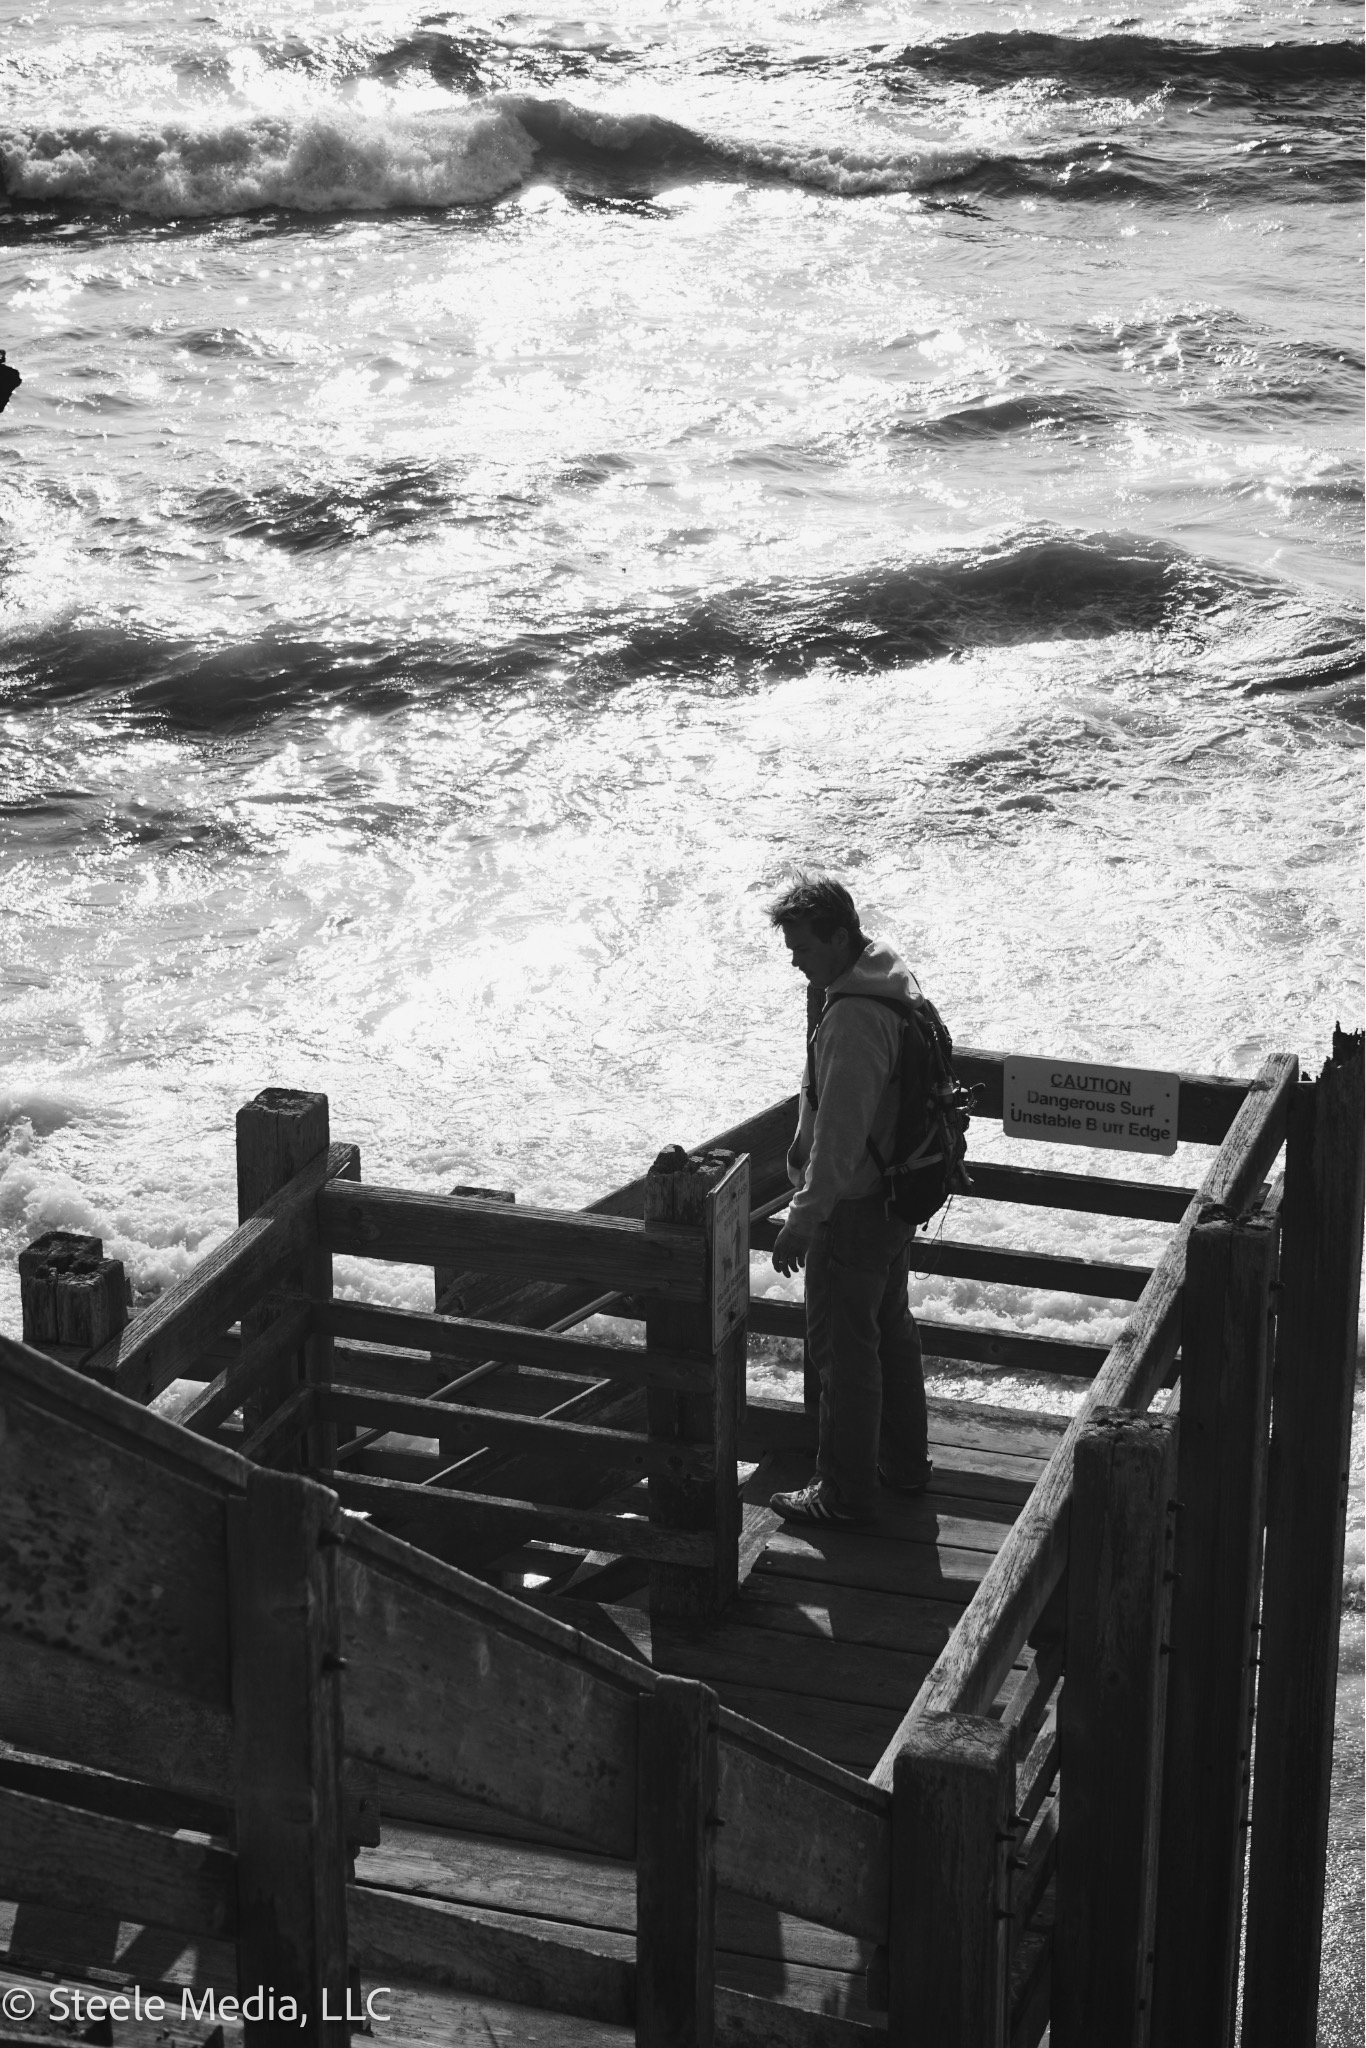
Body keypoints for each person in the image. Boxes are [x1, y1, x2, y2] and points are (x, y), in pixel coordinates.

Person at [766, 874, 932, 1527]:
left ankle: (845, 1493)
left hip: (856, 1208)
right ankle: (904, 1466)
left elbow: (837, 1141)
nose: (796, 962)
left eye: (803, 948)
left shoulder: (855, 1018)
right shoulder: (885, 980)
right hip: (893, 1199)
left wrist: (801, 1222)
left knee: (844, 1352)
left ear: (839, 936)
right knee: (889, 1332)